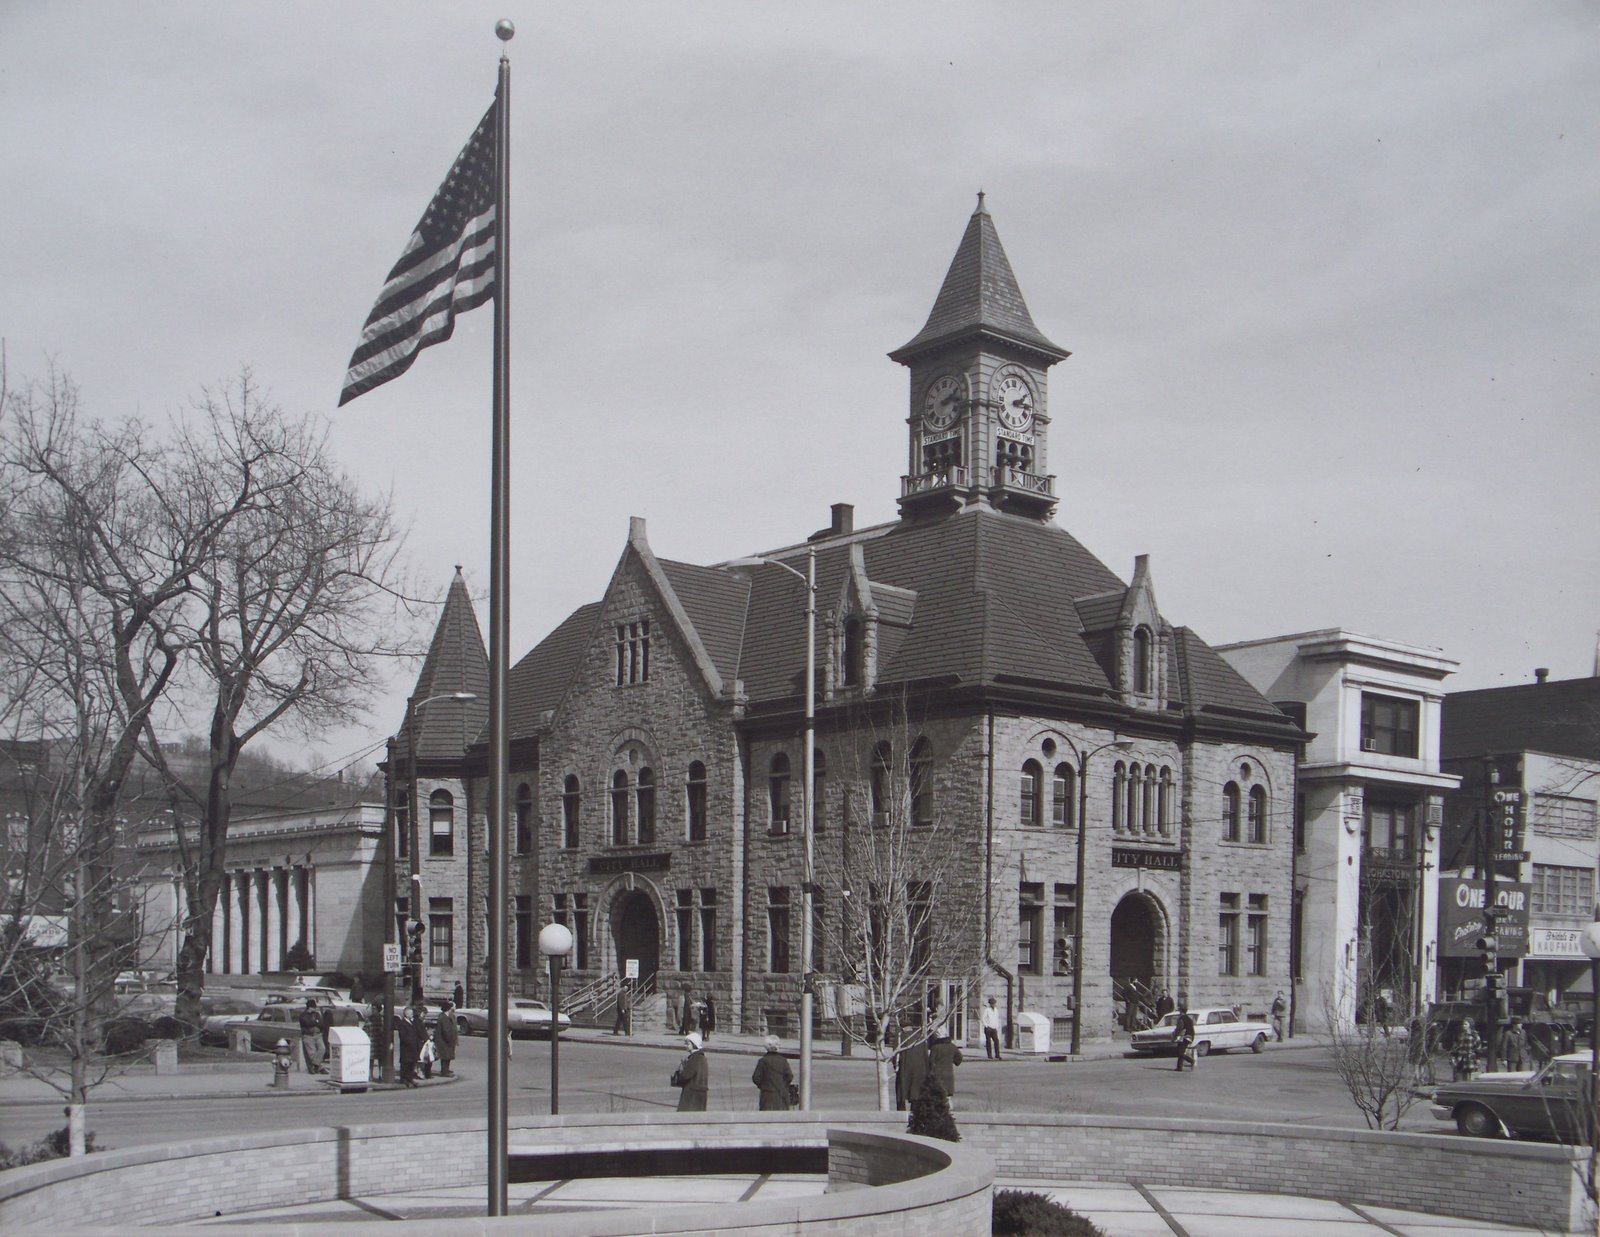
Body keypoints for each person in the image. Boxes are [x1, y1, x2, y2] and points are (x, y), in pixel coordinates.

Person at [751, 1034, 794, 1110]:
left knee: (767, 1114)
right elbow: (789, 1076)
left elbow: (756, 1078)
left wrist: (763, 1085)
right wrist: (783, 1085)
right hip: (781, 1094)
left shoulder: (763, 1061)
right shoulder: (783, 1060)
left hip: (767, 1095)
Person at [672, 1032, 709, 1111]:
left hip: (692, 1095)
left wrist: (678, 1078)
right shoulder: (702, 1057)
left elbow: (686, 1076)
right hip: (700, 1094)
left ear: (694, 1044)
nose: (685, 1045)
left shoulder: (695, 1058)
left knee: (687, 1116)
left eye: (687, 1044)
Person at [927, 1027, 962, 1110]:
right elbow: (959, 1058)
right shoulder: (952, 1046)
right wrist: (952, 1060)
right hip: (949, 1075)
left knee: (937, 1096)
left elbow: (931, 1061)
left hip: (937, 1075)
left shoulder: (935, 1047)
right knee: (947, 1096)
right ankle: (949, 1112)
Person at [895, 1034, 929, 1112]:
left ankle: (902, 1111)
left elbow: (896, 1057)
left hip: (904, 1069)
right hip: (920, 1070)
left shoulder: (901, 1037)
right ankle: (915, 1111)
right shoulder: (921, 1038)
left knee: (901, 1092)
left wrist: (896, 1066)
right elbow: (926, 1056)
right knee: (916, 1093)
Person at [395, 1004, 422, 1087]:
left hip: (413, 1048)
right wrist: (410, 1041)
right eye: (411, 1013)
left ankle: (410, 1079)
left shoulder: (412, 1023)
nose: (412, 1015)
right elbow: (403, 1036)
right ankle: (404, 1080)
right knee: (405, 1064)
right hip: (406, 1048)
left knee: (411, 1064)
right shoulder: (402, 1023)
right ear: (406, 1014)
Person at [298, 998, 325, 1074]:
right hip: (308, 1035)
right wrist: (315, 1022)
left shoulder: (317, 1014)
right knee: (312, 1052)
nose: (314, 1009)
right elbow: (307, 1023)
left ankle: (316, 1065)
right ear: (309, 1007)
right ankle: (319, 1068)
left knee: (322, 1049)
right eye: (313, 1007)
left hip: (318, 1035)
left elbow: (321, 1023)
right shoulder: (303, 1015)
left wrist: (315, 1022)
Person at [434, 999, 459, 1077]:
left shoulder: (446, 1016)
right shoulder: (443, 1018)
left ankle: (446, 1069)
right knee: (445, 1056)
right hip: (444, 1041)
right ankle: (444, 1071)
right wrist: (450, 1040)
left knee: (448, 1056)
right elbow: (446, 1031)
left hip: (446, 1041)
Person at [1173, 1006, 1197, 1071]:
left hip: (1183, 1037)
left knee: (1180, 1052)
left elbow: (1179, 1028)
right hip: (1190, 1037)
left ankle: (1191, 1061)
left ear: (1181, 1012)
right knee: (1181, 1051)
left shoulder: (1181, 1019)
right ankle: (1179, 1067)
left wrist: (1174, 1036)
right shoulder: (1189, 1019)